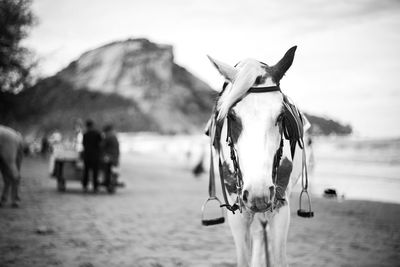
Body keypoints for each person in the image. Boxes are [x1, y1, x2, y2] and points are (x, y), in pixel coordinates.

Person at [82, 120, 102, 193]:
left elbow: (83, 144)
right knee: (95, 172)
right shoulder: (97, 134)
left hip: (87, 156)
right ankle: (95, 187)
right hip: (95, 156)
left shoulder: (85, 134)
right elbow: (100, 144)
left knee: (86, 171)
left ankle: (85, 186)